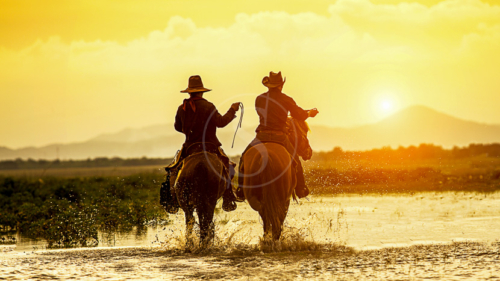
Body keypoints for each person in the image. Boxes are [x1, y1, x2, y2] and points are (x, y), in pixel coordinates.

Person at [236, 71, 318, 200]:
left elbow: (263, 114)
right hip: (280, 136)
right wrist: (309, 113)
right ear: (281, 85)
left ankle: (241, 190)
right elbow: (299, 115)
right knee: (295, 161)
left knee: (244, 158)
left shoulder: (260, 99)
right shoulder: (286, 99)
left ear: (268, 85)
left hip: (261, 136)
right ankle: (301, 188)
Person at [165, 75, 241, 212]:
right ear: (201, 91)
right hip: (210, 147)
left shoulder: (181, 108)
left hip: (190, 147)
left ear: (189, 92)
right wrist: (232, 110)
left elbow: (177, 127)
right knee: (228, 167)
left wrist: (190, 131)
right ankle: (228, 197)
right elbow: (221, 122)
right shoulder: (208, 106)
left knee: (173, 170)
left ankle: (172, 198)